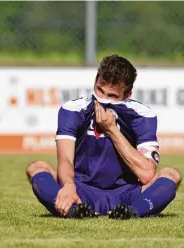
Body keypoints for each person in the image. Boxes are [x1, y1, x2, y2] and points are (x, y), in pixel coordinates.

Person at [26, 54, 182, 219]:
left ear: (127, 95)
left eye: (112, 96)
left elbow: (146, 174)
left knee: (171, 174)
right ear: (95, 81)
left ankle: (132, 212)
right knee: (36, 167)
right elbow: (66, 160)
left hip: (127, 194)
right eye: (100, 90)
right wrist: (69, 185)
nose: (103, 99)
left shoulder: (142, 115)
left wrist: (112, 130)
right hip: (80, 191)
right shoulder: (73, 110)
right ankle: (74, 210)